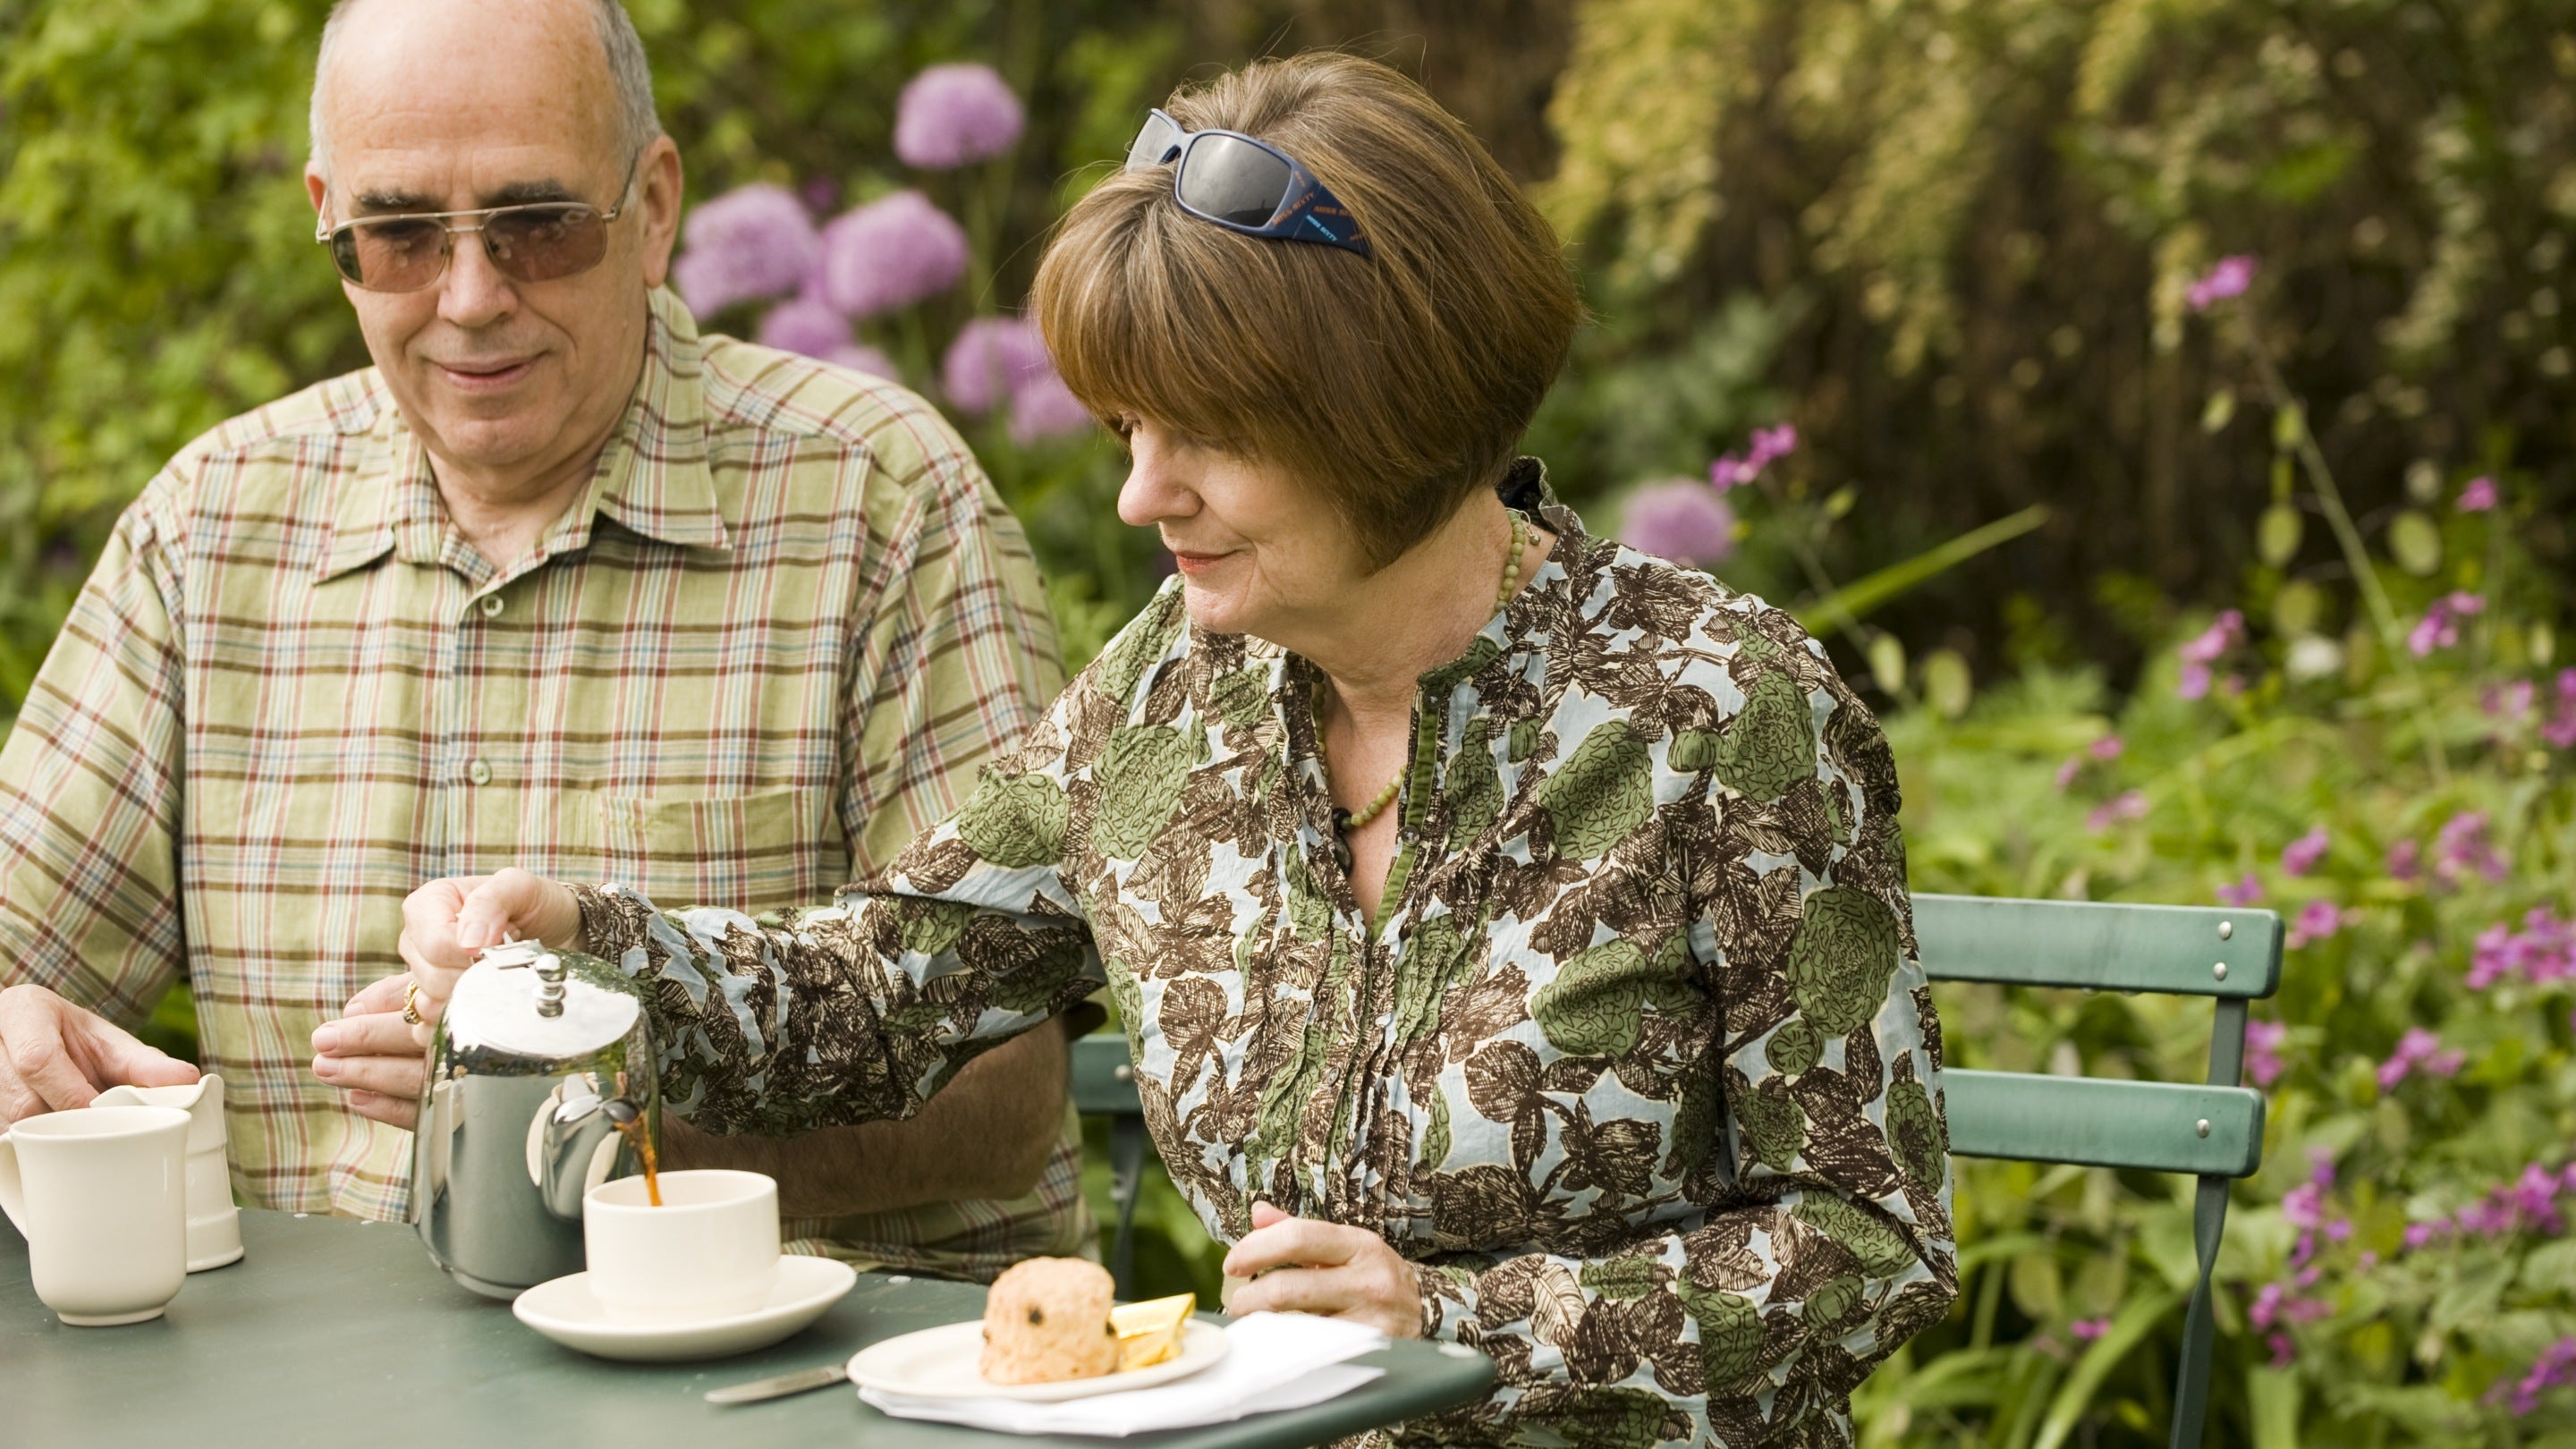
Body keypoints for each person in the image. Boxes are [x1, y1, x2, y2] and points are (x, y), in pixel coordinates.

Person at [404, 52, 1956, 1444]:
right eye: (1123, 431)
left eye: (1201, 433)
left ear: (1388, 407)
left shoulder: (1717, 713)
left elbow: (1871, 1240)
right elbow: (883, 989)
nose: (1144, 497)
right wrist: (586, 951)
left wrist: (1453, 1321)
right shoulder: (1171, 692)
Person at [0, 0, 1095, 1282]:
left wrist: (576, 1124)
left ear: (656, 205)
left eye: (537, 227)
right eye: (400, 236)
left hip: (770, 1392)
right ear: (330, 219)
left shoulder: (874, 505)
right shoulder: (213, 529)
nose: (470, 297)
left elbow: (1007, 1099)